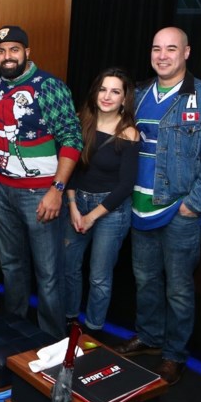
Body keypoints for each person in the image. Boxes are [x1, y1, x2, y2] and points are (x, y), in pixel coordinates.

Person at [112, 27, 201, 385]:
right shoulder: (135, 95)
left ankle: (174, 354)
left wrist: (194, 206)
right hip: (139, 207)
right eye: (156, 49)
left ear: (186, 53)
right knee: (144, 279)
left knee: (178, 288)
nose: (162, 55)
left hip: (179, 210)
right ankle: (149, 337)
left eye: (171, 49)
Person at [0, 25, 82, 338]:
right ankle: (14, 334)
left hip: (39, 194)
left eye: (14, 50)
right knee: (11, 268)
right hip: (2, 193)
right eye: (1, 51)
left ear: (28, 52)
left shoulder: (48, 86)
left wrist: (56, 190)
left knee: (48, 273)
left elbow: (72, 138)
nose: (7, 56)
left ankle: (52, 340)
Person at [64, 67, 139, 332]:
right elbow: (69, 166)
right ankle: (70, 320)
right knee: (69, 268)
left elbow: (125, 186)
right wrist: (73, 207)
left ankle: (94, 329)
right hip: (77, 202)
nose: (107, 96)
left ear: (124, 98)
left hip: (110, 211)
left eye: (115, 91)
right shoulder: (79, 120)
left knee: (99, 277)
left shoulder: (129, 133)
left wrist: (91, 216)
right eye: (103, 89)